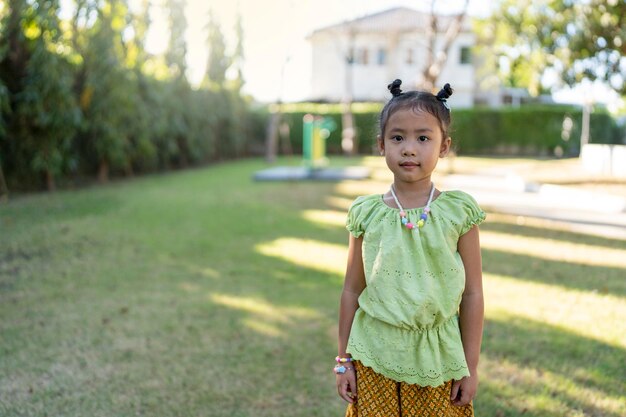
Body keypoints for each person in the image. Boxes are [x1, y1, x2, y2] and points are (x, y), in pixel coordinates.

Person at [335, 79, 485, 417]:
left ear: (444, 146)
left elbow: (473, 293)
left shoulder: (458, 213)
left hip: (439, 357)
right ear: (381, 144)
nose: (409, 148)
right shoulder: (366, 213)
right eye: (397, 137)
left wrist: (470, 365)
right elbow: (350, 290)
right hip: (374, 354)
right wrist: (344, 360)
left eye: (423, 138)